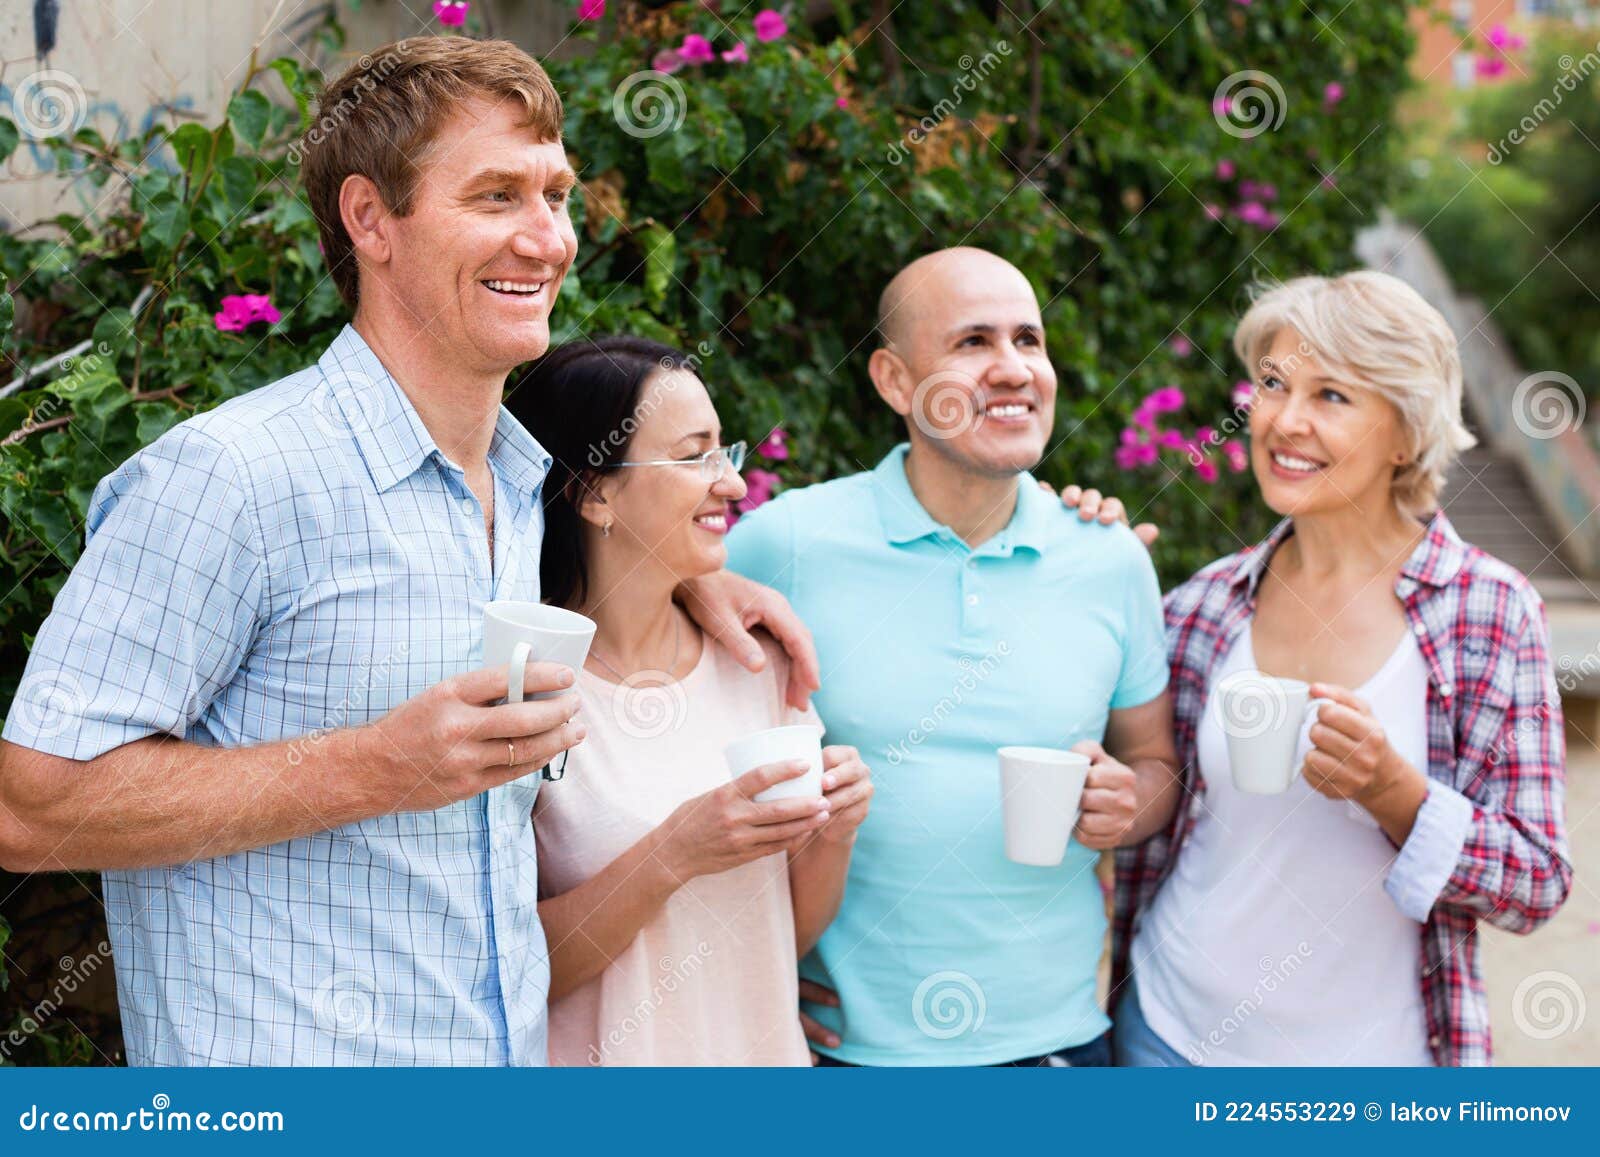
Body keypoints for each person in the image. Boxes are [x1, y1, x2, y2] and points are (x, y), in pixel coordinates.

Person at [0, 39, 815, 1066]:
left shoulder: (523, 491)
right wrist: (374, 766)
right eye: (495, 196)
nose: (547, 237)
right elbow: (30, 805)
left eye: (556, 195)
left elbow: (625, 551)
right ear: (369, 219)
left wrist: (702, 578)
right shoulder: (232, 475)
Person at [725, 246, 1181, 1066]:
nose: (1013, 368)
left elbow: (1157, 767)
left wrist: (1128, 802)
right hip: (845, 1057)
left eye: (1029, 341)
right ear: (896, 381)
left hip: (1058, 1051)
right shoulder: (784, 542)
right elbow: (649, 710)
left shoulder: (1109, 560)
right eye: (974, 342)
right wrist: (743, 973)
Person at [1109, 271, 1573, 1066]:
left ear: (1405, 431)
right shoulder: (1203, 605)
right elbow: (1138, 800)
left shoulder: (1490, 611)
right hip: (1166, 1038)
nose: (1285, 420)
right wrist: (1085, 565)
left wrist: (1393, 791)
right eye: (1274, 383)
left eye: (1332, 396)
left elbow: (1535, 882)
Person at [507, 337, 871, 1065]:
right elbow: (512, 971)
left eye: (724, 449)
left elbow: (783, 931)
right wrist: (676, 851)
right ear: (594, 492)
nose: (732, 483)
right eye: (693, 455)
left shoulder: (759, 660)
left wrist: (837, 828)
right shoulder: (528, 686)